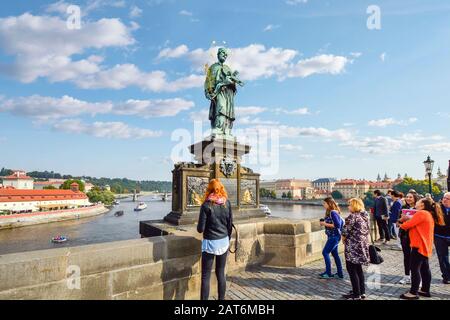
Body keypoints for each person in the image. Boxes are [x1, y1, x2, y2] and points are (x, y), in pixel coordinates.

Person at [399, 198, 445, 299]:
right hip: (425, 244)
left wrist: (402, 221)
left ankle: (413, 292)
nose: (416, 202)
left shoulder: (421, 213)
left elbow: (406, 226)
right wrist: (408, 220)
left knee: (414, 269)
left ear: (422, 205)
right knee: (425, 268)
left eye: (419, 201)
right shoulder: (428, 213)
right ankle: (425, 290)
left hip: (418, 245)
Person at [197, 179, 233, 300]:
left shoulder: (206, 205)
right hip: (223, 242)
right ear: (221, 188)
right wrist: (226, 238)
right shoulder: (226, 203)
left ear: (209, 190)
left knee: (206, 276)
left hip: (211, 243)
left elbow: (200, 229)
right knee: (221, 273)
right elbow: (229, 225)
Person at [341, 198, 370, 300]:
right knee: (359, 269)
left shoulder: (352, 217)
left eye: (349, 205)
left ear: (354, 206)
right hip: (362, 245)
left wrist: (343, 239)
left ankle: (356, 294)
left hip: (352, 247)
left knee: (352, 270)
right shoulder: (365, 216)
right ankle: (362, 292)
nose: (348, 207)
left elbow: (345, 232)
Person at [397, 192, 420, 284]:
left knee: (416, 257)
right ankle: (407, 276)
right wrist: (399, 221)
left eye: (410, 197)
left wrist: (409, 220)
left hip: (415, 235)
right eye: (407, 197)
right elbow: (398, 222)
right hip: (404, 235)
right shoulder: (403, 208)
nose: (408, 198)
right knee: (406, 256)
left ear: (415, 198)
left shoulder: (419, 209)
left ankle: (417, 277)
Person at [319, 197, 344, 279]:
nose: (323, 205)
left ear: (329, 204)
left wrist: (324, 224)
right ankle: (340, 274)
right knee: (335, 254)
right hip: (333, 236)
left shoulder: (333, 212)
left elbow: (337, 225)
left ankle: (328, 273)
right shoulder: (332, 212)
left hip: (334, 236)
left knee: (325, 252)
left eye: (324, 203)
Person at [435, 192, 450, 284]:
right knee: (443, 257)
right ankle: (446, 276)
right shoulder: (437, 208)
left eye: (447, 198)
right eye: (444, 197)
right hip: (439, 236)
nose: (444, 200)